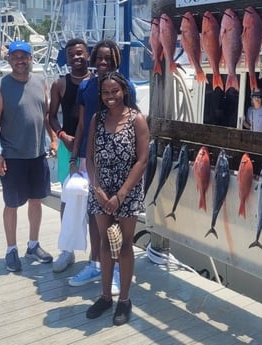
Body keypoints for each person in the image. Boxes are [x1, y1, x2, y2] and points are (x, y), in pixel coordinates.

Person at [69, 39, 137, 293]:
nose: (103, 62)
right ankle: (96, 263)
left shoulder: (125, 85)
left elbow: (132, 120)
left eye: (108, 58)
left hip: (118, 160)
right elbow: (82, 125)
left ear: (116, 60)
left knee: (117, 217)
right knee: (96, 216)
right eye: (99, 57)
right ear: (93, 59)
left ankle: (118, 269)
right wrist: (74, 157)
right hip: (91, 157)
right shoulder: (85, 86)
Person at [85, 71, 149, 326]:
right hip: (101, 190)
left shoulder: (137, 120)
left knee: (124, 245)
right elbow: (89, 157)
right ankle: (104, 296)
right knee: (103, 242)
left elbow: (142, 160)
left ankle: (124, 300)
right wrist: (97, 189)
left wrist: (120, 195)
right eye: (105, 92)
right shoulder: (96, 119)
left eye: (115, 91)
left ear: (124, 91)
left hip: (127, 191)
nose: (110, 96)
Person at [0, 40, 53, 272]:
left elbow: (45, 117)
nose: (20, 60)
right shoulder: (0, 86)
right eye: (15, 56)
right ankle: (11, 249)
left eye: (24, 56)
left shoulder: (41, 82)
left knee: (37, 201)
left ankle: (33, 244)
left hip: (37, 154)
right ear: (9, 60)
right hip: (13, 156)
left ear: (30, 59)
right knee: (12, 204)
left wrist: (53, 138)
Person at [48, 38, 92, 273]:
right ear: (66, 59)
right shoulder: (59, 84)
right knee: (67, 199)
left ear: (87, 54)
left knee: (93, 200)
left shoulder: (97, 82)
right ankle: (67, 250)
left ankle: (96, 253)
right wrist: (62, 135)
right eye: (71, 55)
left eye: (80, 53)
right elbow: (52, 116)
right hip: (68, 147)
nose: (76, 58)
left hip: (92, 148)